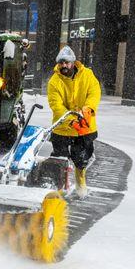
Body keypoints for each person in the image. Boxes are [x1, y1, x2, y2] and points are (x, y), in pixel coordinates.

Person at [47, 46, 101, 198]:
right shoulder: (54, 82)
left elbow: (94, 93)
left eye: (67, 63)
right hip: (63, 127)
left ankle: (80, 184)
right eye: (61, 63)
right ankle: (60, 187)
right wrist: (71, 120)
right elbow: (56, 105)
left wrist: (87, 110)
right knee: (59, 159)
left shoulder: (87, 75)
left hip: (84, 127)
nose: (64, 66)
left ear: (73, 62)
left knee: (81, 158)